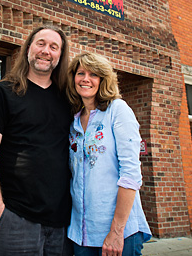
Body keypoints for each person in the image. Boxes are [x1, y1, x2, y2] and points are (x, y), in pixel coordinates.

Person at [0, 25, 73, 256]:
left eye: (53, 47)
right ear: (29, 47)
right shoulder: (4, 92)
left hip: (62, 222)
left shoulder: (69, 98)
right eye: (40, 43)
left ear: (60, 55)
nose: (46, 51)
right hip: (16, 217)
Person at [66, 52, 151, 256]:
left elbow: (130, 174)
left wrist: (116, 231)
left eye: (93, 74)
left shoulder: (118, 110)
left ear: (103, 80)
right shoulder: (73, 119)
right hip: (81, 232)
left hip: (119, 232)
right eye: (80, 73)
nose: (86, 79)